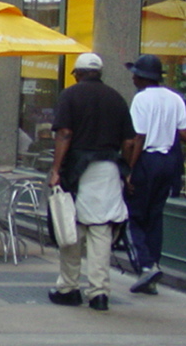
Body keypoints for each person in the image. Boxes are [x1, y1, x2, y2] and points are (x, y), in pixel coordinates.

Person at [47, 52, 137, 312]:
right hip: (108, 169)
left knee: (71, 228)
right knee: (101, 230)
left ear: (77, 73)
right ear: (99, 73)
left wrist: (56, 169)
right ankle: (99, 293)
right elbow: (129, 142)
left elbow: (65, 133)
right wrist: (126, 169)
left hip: (78, 169)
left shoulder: (70, 95)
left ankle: (68, 287)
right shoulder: (116, 97)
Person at [124, 54, 186, 294]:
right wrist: (165, 128)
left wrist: (129, 171)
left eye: (135, 74)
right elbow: (185, 135)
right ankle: (153, 269)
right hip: (168, 163)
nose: (133, 78)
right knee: (155, 217)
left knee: (133, 216)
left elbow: (138, 137)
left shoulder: (141, 99)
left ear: (142, 77)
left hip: (147, 160)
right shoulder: (175, 98)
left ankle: (145, 265)